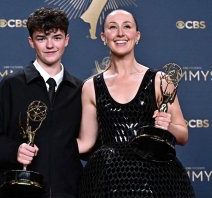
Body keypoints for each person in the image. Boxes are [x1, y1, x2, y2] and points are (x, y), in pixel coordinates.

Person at [77, 9, 194, 197]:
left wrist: (167, 125)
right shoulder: (91, 86)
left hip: (156, 180)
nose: (120, 33)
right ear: (103, 37)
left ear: (137, 36)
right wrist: (49, 144)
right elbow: (86, 142)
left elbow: (183, 134)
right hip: (108, 180)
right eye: (112, 27)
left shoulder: (160, 80)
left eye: (127, 27)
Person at [0, 7, 83, 198]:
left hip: (67, 192)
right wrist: (14, 150)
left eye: (57, 37)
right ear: (31, 42)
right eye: (42, 38)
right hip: (17, 192)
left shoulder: (80, 90)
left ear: (67, 40)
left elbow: (89, 143)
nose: (50, 45)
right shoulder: (11, 85)